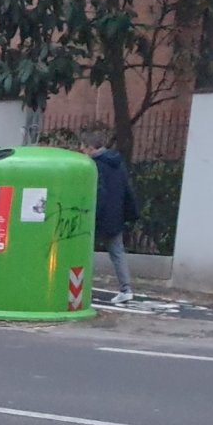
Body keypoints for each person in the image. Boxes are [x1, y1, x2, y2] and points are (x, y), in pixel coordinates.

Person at [81, 130, 140, 305]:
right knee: (117, 252)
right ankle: (126, 289)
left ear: (91, 148)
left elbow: (99, 193)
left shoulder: (94, 166)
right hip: (115, 216)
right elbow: (127, 189)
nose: (82, 152)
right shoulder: (117, 163)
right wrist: (131, 213)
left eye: (83, 148)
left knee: (83, 252)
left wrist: (91, 214)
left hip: (98, 216)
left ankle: (80, 288)